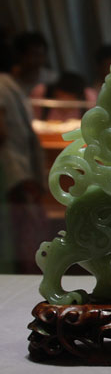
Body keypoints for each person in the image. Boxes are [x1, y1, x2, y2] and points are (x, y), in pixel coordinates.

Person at [0, 32, 49, 273]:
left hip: (20, 171)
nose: (38, 61)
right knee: (16, 233)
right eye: (34, 55)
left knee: (22, 232)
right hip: (12, 171)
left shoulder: (14, 87)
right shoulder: (4, 85)